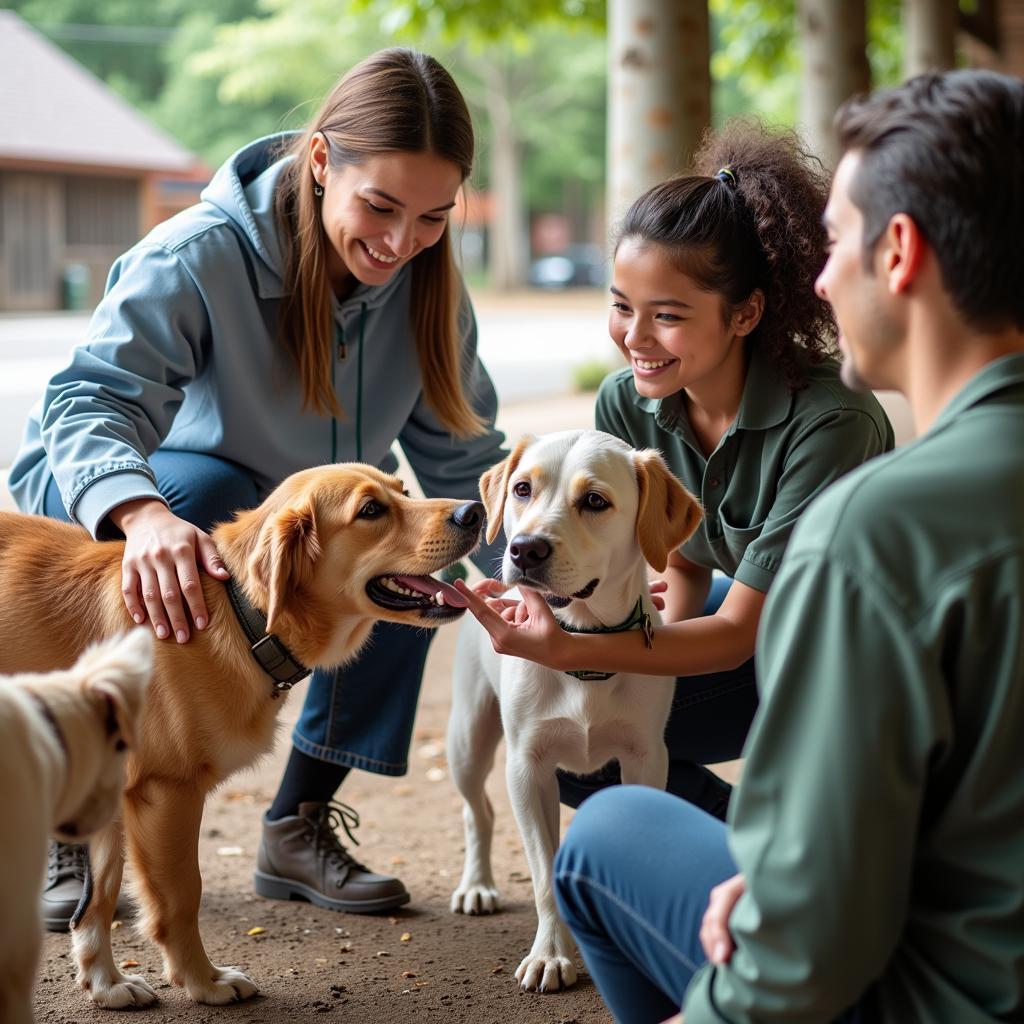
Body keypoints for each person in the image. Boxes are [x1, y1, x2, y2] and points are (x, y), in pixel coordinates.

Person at [538, 69, 1024, 1024]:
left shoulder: (875, 521)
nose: (818, 276)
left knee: (606, 833)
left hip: (944, 992)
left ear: (899, 253)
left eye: (834, 244)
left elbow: (807, 955)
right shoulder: (636, 410)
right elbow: (677, 556)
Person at [10, 48, 506, 931]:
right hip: (135, 509)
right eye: (381, 207)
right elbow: (87, 402)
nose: (401, 244)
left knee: (416, 563)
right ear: (322, 163)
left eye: (433, 217)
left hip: (310, 524)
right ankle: (75, 800)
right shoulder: (200, 254)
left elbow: (468, 467)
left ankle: (299, 820)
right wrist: (141, 513)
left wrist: (545, 570)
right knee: (211, 491)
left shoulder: (428, 290)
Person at [461, 121, 893, 819]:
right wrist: (624, 661)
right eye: (621, 306)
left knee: (591, 703)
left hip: (846, 661)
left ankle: (796, 844)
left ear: (746, 313)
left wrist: (575, 649)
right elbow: (683, 561)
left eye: (666, 315)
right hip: (754, 633)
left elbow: (741, 634)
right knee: (576, 733)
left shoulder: (831, 423)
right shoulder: (629, 403)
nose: (634, 337)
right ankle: (728, 840)